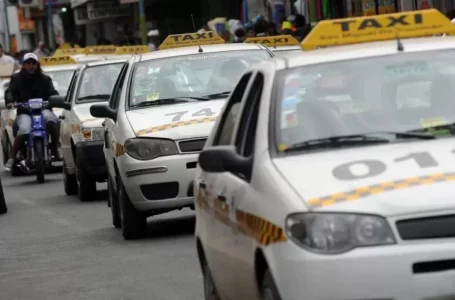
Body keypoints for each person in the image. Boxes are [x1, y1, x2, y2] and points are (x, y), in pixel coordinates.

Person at [4, 53, 60, 171]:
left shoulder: (45, 79)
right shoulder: (16, 79)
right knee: (24, 128)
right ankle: (13, 157)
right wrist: (10, 101)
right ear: (23, 65)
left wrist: (54, 99)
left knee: (51, 120)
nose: (31, 66)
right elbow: (10, 92)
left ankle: (54, 148)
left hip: (43, 111)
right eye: (28, 63)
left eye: (33, 63)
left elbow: (53, 92)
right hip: (25, 112)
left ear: (37, 65)